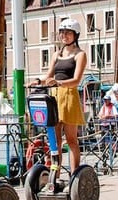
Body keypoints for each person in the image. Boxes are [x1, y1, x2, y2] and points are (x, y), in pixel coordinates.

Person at [31, 18, 88, 179]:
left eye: (68, 33)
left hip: (69, 96)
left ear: (75, 35)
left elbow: (76, 80)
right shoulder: (56, 54)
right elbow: (49, 76)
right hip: (55, 97)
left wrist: (59, 82)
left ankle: (75, 175)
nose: (64, 36)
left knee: (71, 139)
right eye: (62, 32)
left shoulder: (80, 55)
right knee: (54, 140)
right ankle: (55, 175)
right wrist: (37, 81)